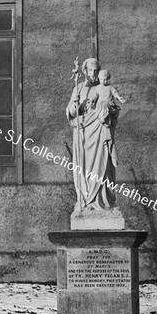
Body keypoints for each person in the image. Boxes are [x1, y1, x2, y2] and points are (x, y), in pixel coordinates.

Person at [66, 58, 119, 212]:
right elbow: (70, 112)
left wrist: (110, 110)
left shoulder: (105, 88)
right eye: (90, 70)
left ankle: (103, 202)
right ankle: (86, 200)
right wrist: (75, 105)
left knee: (103, 164)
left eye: (96, 71)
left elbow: (114, 109)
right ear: (85, 71)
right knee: (85, 167)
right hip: (84, 133)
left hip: (100, 131)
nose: (93, 73)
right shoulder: (79, 88)